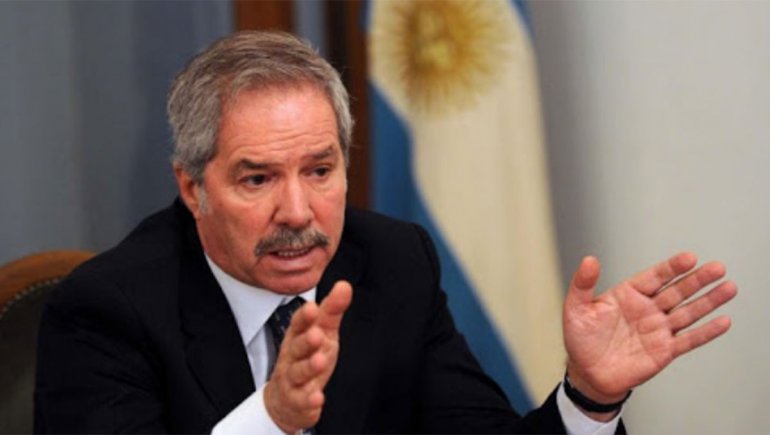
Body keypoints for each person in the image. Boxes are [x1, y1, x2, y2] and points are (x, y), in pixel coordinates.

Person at [34, 31, 737, 434]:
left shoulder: (393, 261)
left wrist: (587, 396)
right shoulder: (106, 309)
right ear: (193, 188)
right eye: (257, 179)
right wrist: (271, 420)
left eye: (320, 170)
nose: (298, 212)